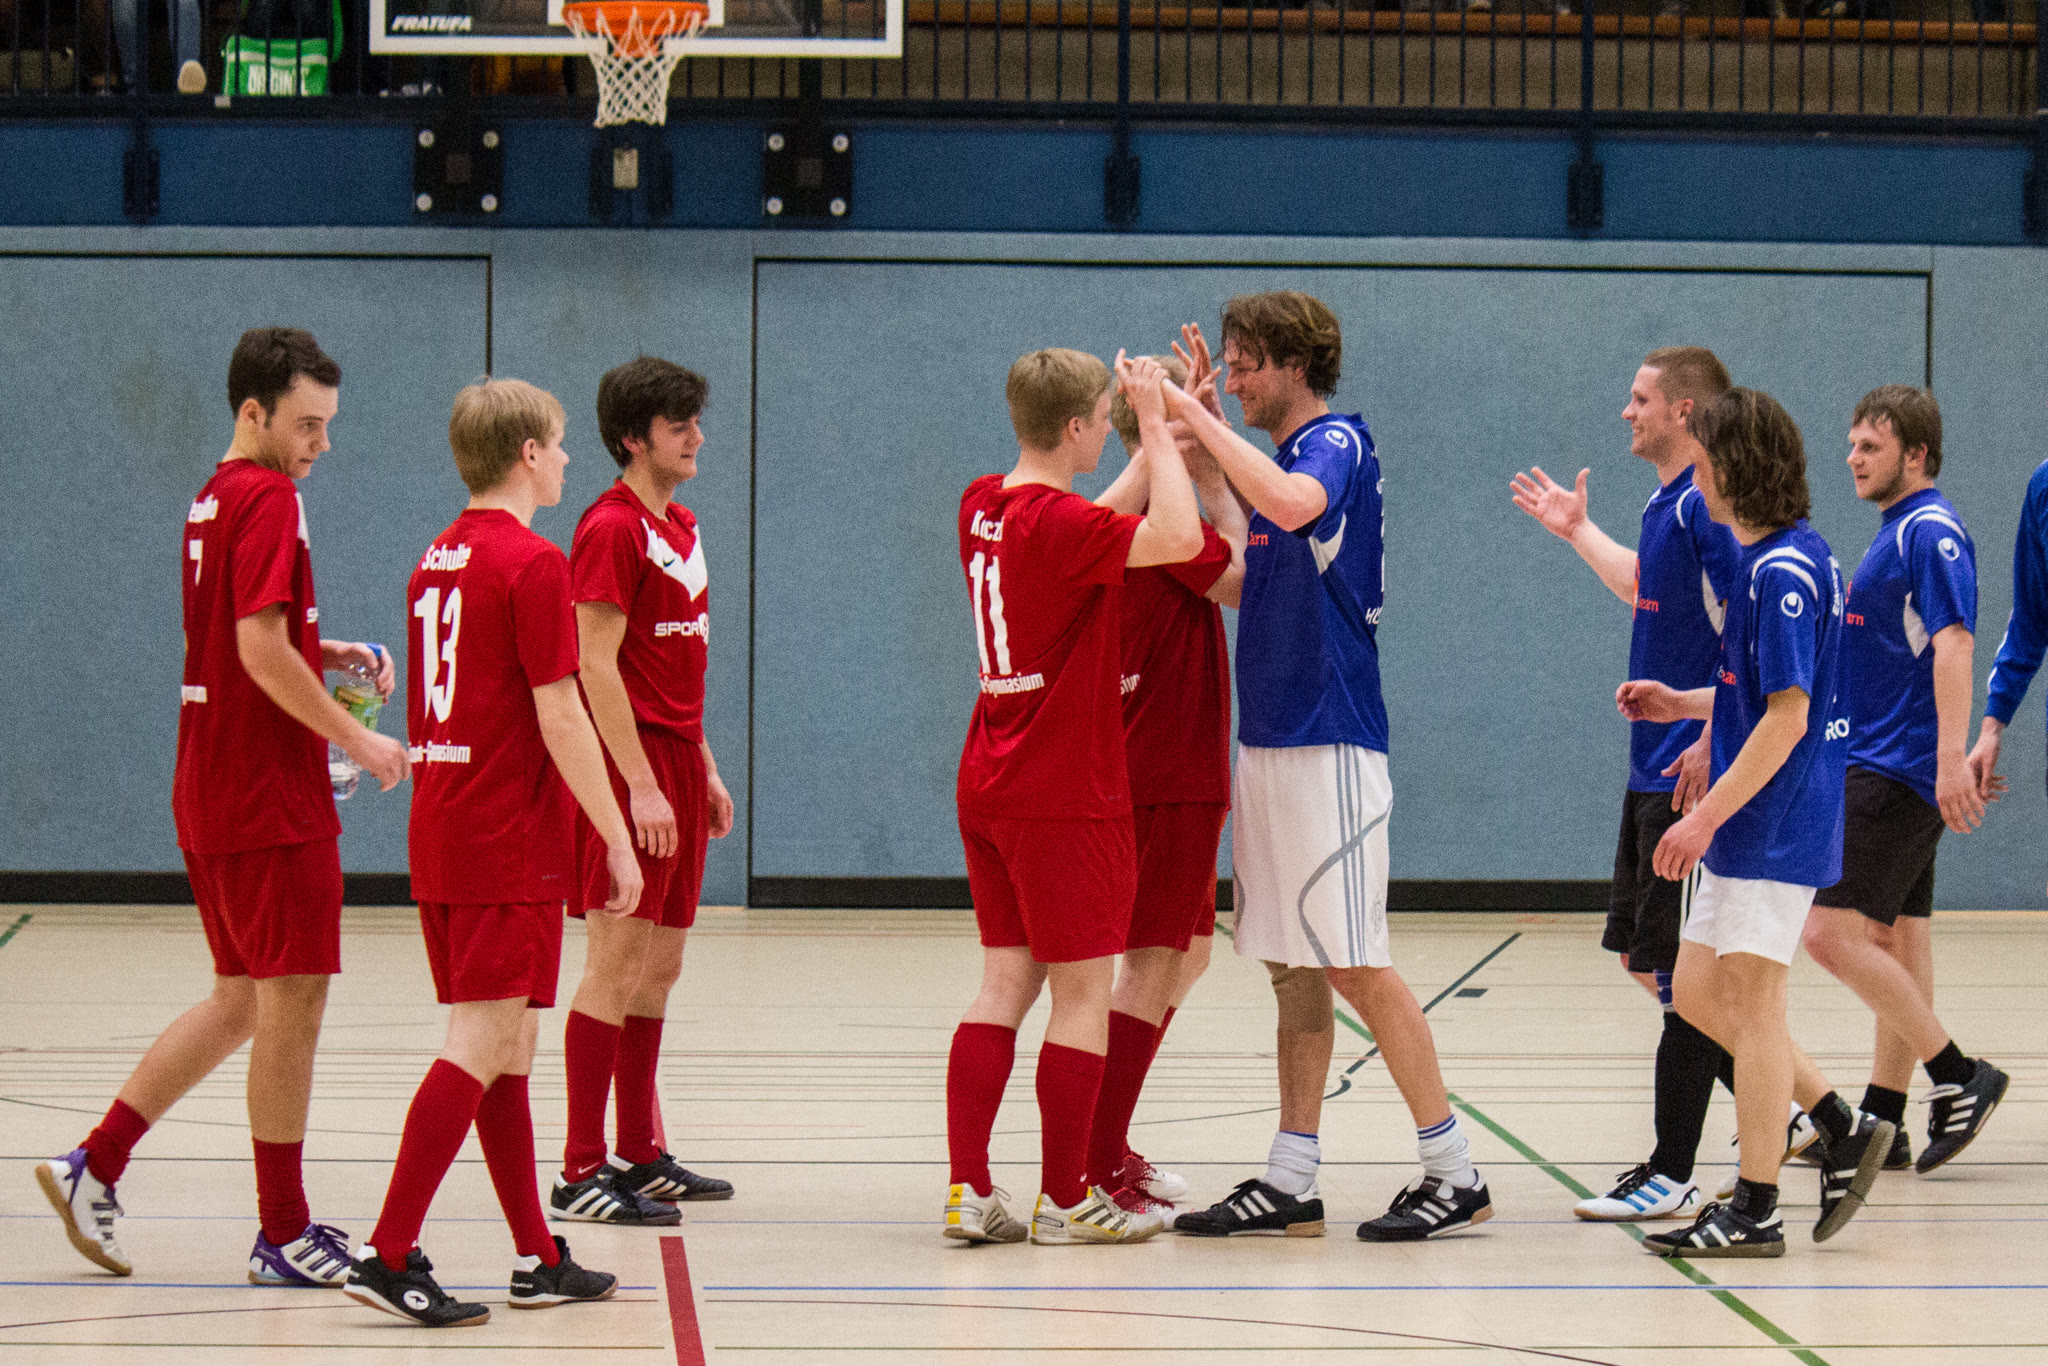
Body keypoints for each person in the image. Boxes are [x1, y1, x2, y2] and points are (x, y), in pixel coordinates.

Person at [36, 327, 408, 1285]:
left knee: (241, 998)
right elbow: (256, 647)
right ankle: (282, 1232)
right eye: (307, 424)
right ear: (254, 412)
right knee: (296, 997)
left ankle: (94, 1165)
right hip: (266, 793)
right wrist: (357, 736)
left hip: (210, 781)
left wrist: (323, 649)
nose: (321, 443)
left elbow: (241, 634)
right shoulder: (271, 497)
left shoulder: (214, 494)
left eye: (327, 424)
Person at [1165, 295, 1491, 1242]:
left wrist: (1197, 424)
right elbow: (1247, 572)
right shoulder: (1278, 466)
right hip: (1270, 738)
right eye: (1227, 364)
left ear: (1296, 365)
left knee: (1356, 962)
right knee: (1290, 966)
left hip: (1330, 736)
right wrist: (1201, 466)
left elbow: (1294, 504)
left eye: (1246, 364)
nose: (1232, 380)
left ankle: (1455, 1172)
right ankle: (1292, 1176)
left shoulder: (1335, 444)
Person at [343, 378, 640, 1327]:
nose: (567, 459)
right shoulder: (533, 561)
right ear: (526, 453)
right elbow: (563, 712)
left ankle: (536, 1255)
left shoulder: (434, 558)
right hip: (504, 832)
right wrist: (617, 836)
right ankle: (388, 1252)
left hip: (446, 824)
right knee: (479, 1042)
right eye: (558, 444)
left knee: (509, 1044)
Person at [1619, 388, 1894, 1259]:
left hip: (1772, 823)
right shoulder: (1777, 558)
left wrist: (1703, 821)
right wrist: (1686, 704)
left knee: (1756, 1008)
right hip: (1758, 821)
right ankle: (1839, 1126)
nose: (1695, 481)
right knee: (1700, 994)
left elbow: (1788, 716)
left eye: (1703, 465)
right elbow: (1758, 693)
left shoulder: (1781, 575)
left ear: (1734, 469)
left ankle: (1757, 1205)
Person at [942, 349, 1203, 1247]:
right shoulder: (1062, 524)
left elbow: (1087, 520)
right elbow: (1177, 537)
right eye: (1104, 414)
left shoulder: (984, 503)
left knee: (1002, 983)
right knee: (1083, 994)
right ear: (1077, 427)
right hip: (1064, 789)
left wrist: (1155, 439)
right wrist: (1160, 432)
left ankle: (969, 1187)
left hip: (991, 778)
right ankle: (1065, 1197)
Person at [1510, 348, 1763, 1223]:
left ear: (1685, 410)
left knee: (1687, 976)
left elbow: (1746, 631)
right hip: (1652, 762)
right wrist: (1577, 530)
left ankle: (1684, 1163)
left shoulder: (1706, 507)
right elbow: (1646, 588)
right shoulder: (1668, 504)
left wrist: (1710, 736)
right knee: (1648, 959)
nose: (1627, 411)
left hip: (1689, 769)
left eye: (1641, 398)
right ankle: (1811, 1115)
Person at [1803, 386, 2007, 1173]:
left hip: (1896, 768)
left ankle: (1959, 1074)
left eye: (1872, 447)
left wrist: (1950, 758)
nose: (1853, 459)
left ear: (1916, 455)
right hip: (1884, 759)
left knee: (1828, 934)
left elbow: (1956, 643)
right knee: (1896, 935)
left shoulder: (1930, 531)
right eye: (1853, 444)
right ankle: (1885, 1119)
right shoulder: (1896, 531)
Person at [553, 357, 736, 1226]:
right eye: (677, 426)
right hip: (629, 768)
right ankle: (579, 1167)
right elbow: (595, 667)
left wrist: (703, 766)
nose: (697, 437)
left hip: (674, 760)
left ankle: (637, 1150)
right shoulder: (610, 529)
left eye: (696, 421)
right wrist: (640, 787)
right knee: (614, 964)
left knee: (660, 966)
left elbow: (675, 670)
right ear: (633, 439)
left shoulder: (682, 525)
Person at [1088, 353, 1247, 1217]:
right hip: (1165, 770)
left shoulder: (1128, 519)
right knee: (1152, 964)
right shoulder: (1164, 523)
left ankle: (1105, 1140)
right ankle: (1094, 1158)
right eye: (1193, 432)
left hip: (1169, 764)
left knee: (1185, 954)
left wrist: (1204, 443)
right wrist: (1216, 481)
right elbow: (1252, 584)